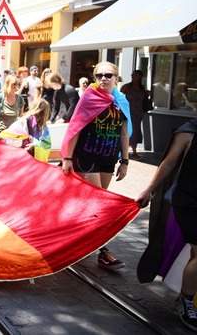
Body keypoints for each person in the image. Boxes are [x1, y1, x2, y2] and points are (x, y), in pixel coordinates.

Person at [60, 61, 131, 270]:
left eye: (108, 75)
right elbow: (76, 128)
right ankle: (103, 251)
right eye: (99, 75)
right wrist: (67, 158)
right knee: (99, 205)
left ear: (117, 78)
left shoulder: (121, 101)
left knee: (92, 204)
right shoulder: (89, 98)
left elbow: (124, 132)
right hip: (86, 157)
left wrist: (125, 161)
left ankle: (76, 238)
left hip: (108, 158)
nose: (103, 79)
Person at [135, 119, 197, 332]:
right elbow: (169, 163)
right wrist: (149, 190)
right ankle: (186, 300)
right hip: (189, 201)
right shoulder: (189, 131)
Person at [0, 98, 52, 162]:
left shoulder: (43, 128)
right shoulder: (24, 122)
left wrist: (34, 145)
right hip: (22, 158)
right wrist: (1, 136)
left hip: (26, 160)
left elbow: (47, 144)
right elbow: (10, 134)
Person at [120, 70, 147, 159]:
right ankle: (126, 150)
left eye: (136, 75)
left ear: (139, 77)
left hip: (138, 112)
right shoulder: (127, 87)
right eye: (132, 75)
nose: (133, 77)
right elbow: (119, 96)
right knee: (128, 129)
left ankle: (134, 150)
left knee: (136, 129)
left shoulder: (142, 88)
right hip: (129, 111)